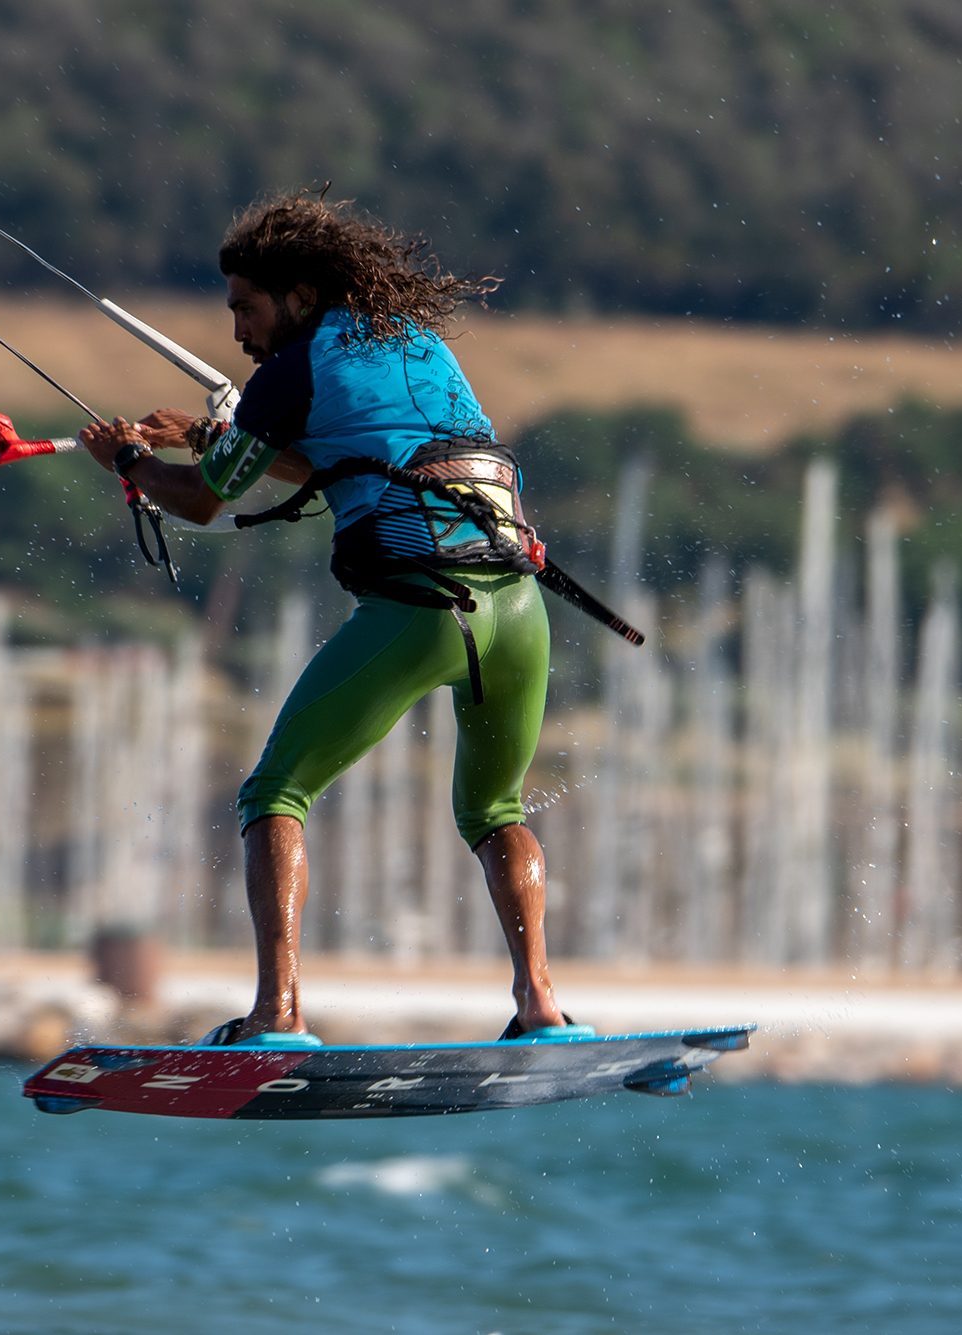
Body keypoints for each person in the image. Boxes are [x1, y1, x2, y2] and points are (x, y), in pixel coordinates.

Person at [78, 192, 579, 1045]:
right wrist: (207, 433)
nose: (237, 332)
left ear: (299, 294)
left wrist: (125, 459)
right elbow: (341, 450)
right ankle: (541, 1005)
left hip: (423, 607)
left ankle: (279, 1011)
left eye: (245, 307)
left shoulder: (288, 371)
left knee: (275, 790)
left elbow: (203, 506)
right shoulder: (415, 345)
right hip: (521, 609)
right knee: (496, 808)